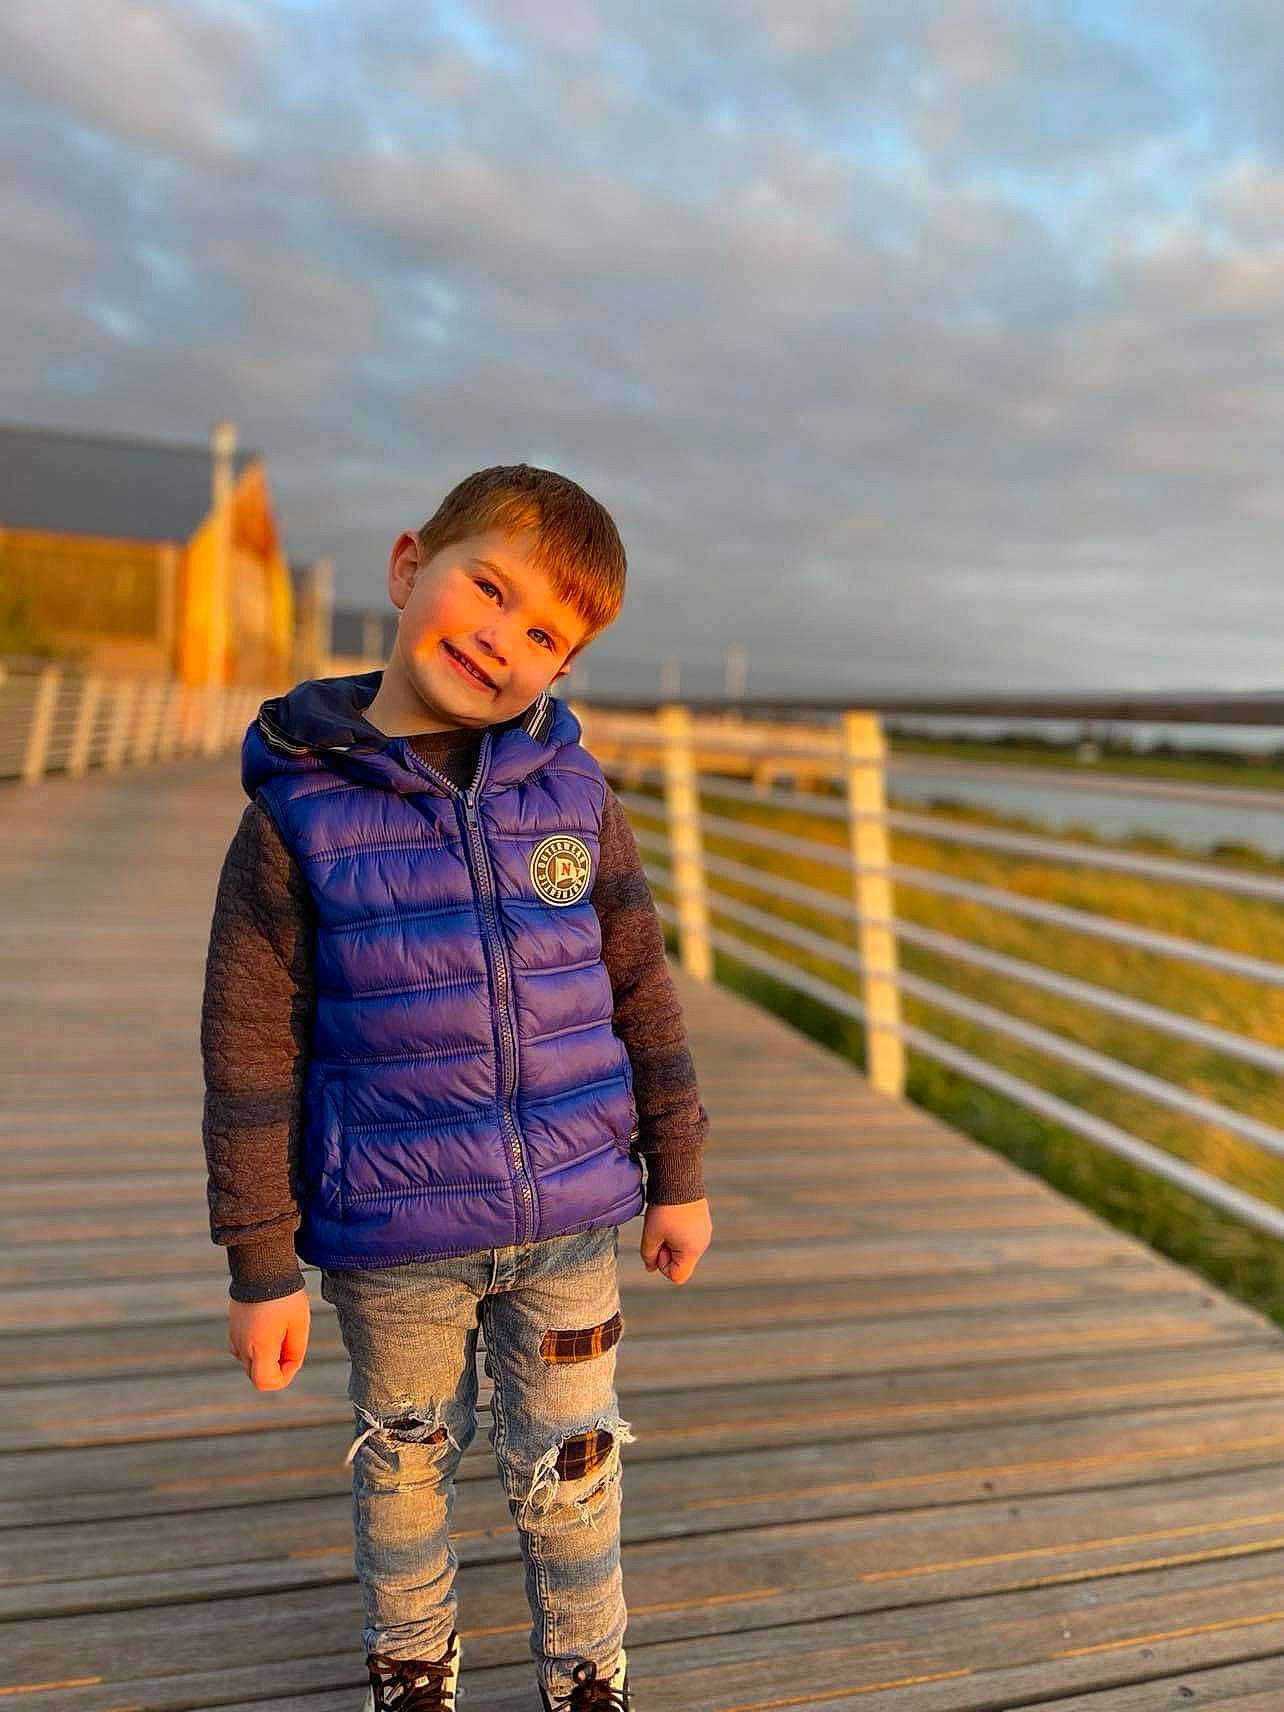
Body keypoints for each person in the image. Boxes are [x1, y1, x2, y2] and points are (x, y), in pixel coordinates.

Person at [200, 463, 713, 1712]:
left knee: (576, 1461)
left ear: (564, 667)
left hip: (576, 1222)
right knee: (407, 1459)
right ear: (406, 564)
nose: (501, 638)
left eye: (544, 633)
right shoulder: (297, 815)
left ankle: (589, 1672)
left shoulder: (575, 799)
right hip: (394, 1235)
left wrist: (679, 1173)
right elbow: (249, 1047)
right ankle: (413, 1666)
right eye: (488, 588)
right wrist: (261, 1260)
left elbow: (641, 988)